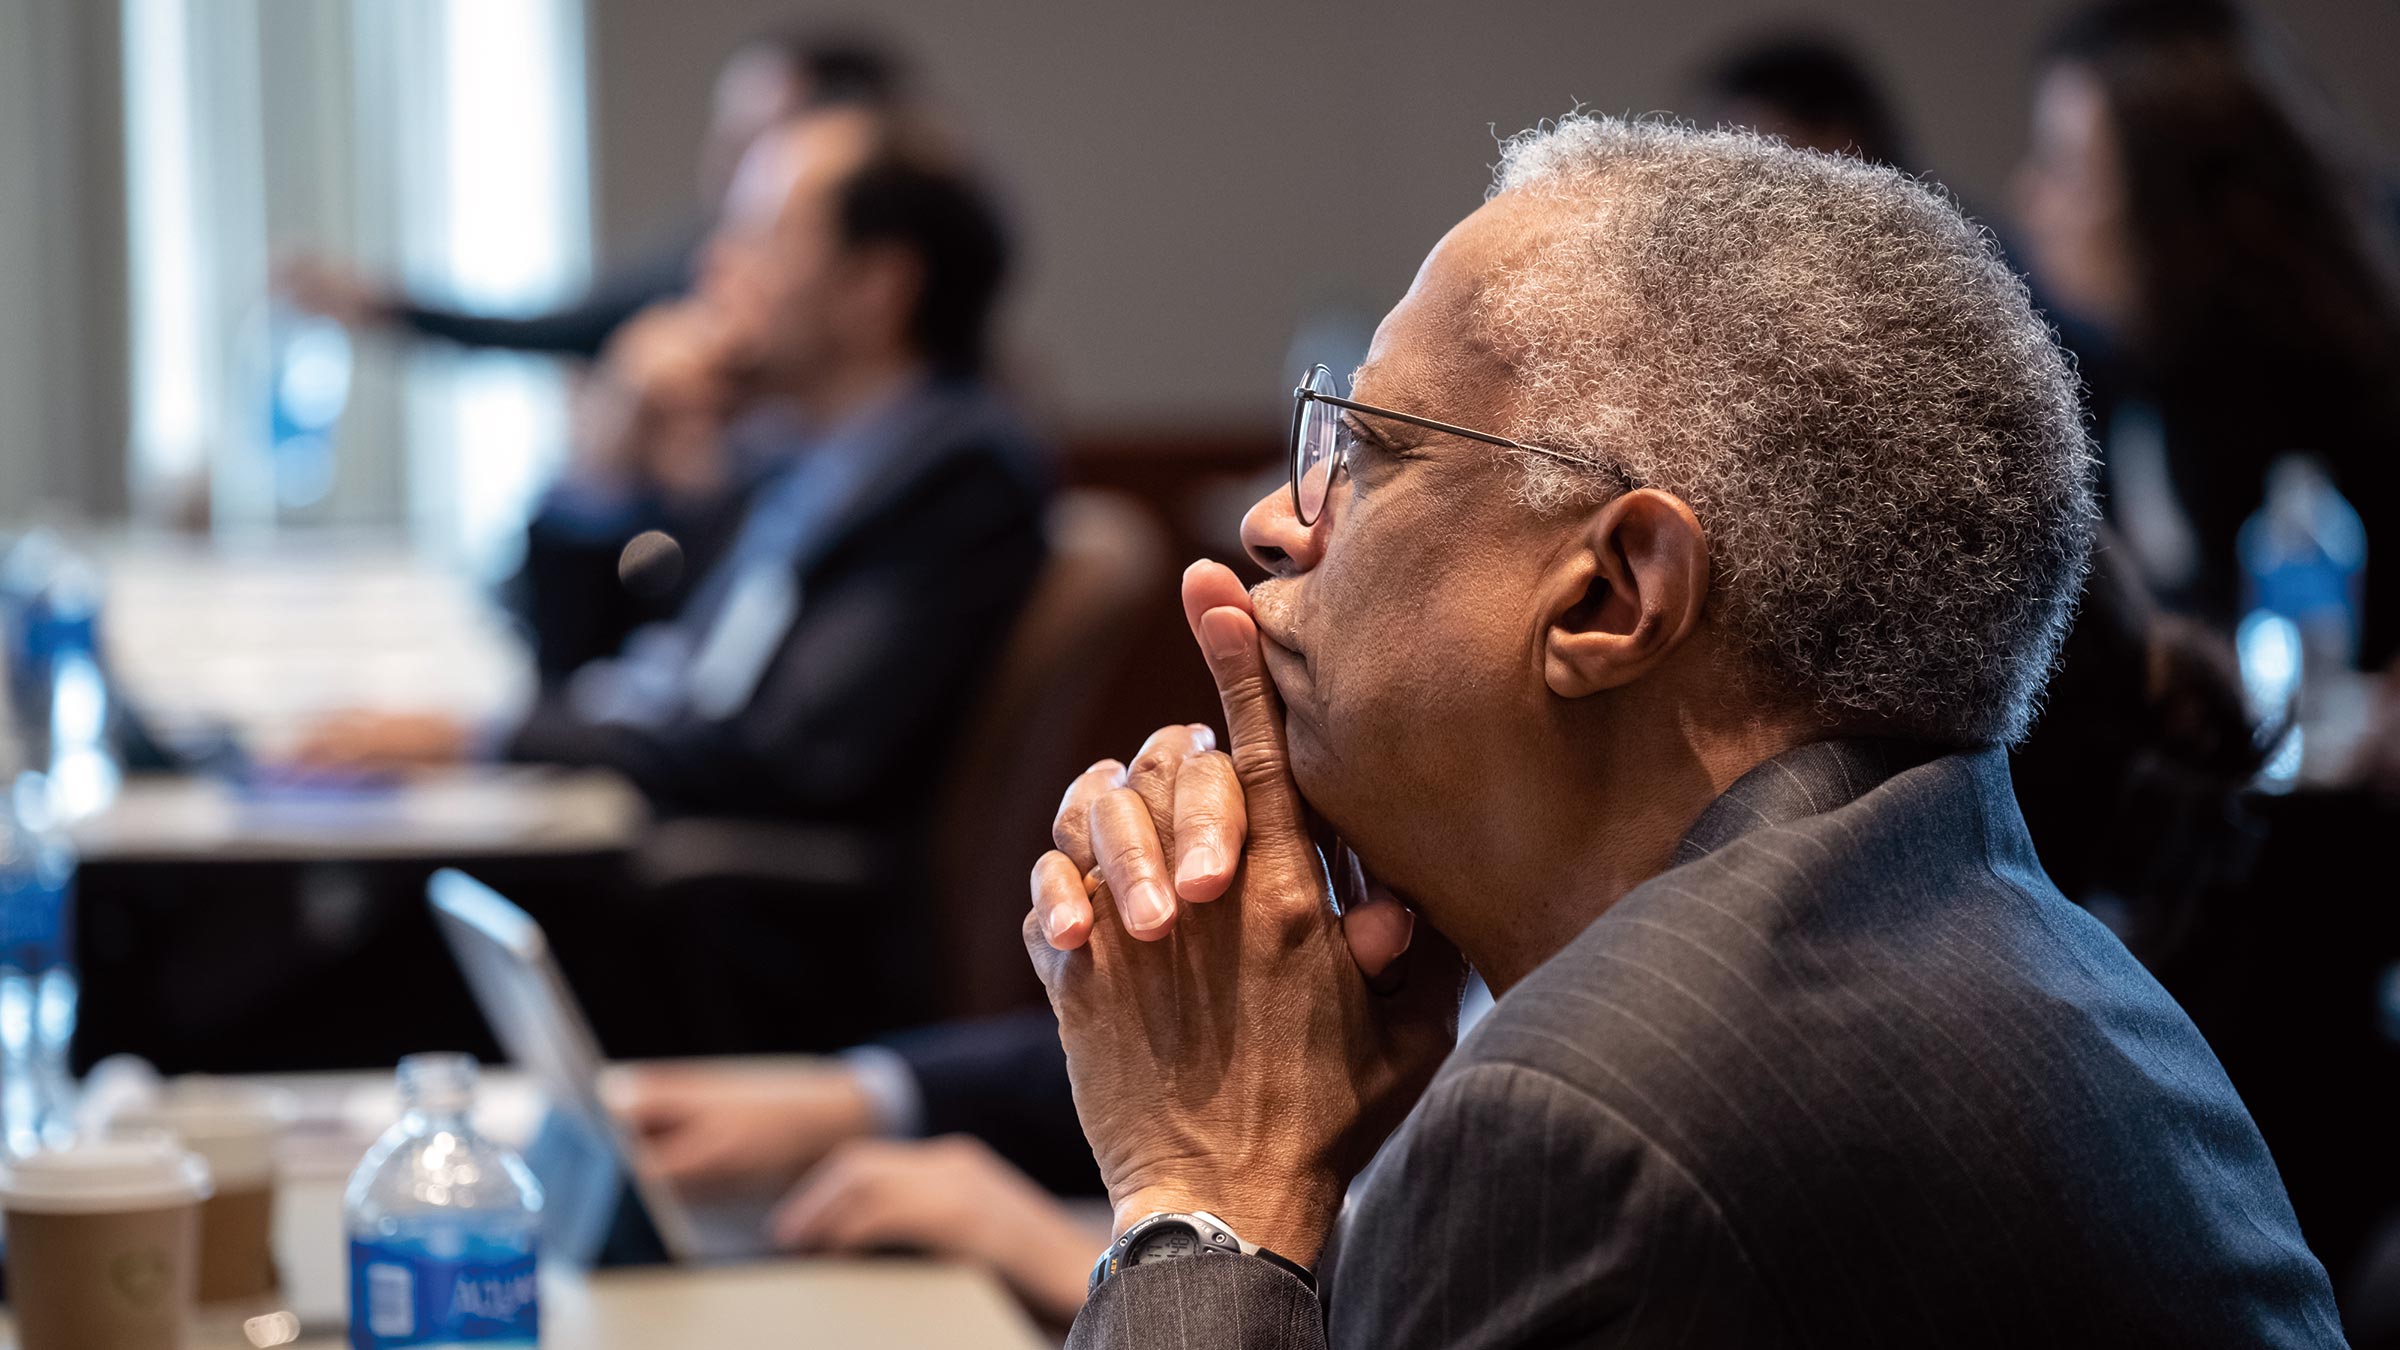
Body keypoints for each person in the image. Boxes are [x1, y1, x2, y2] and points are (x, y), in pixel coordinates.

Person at [1014, 113, 2341, 1346]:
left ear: (1609, 594)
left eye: (1364, 449)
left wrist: (1205, 1196)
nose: (1273, 523)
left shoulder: (1591, 1118)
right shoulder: (1994, 934)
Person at [295, 105, 1049, 836]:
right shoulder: (789, 456)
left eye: (761, 237)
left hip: (714, 919)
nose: (713, 265)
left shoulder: (954, 483)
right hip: (640, 864)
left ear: (875, 288)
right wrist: (608, 467)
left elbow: (788, 755)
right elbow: (580, 662)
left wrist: (481, 740)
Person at [2012, 0, 2400, 669]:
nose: (2030, 198)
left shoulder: (2354, 407)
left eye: (2066, 169)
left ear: (2176, 202)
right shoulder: (2104, 379)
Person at [277, 30, 906, 358]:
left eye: (757, 141)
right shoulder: (708, 259)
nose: (725, 163)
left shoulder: (945, 466)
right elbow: (560, 322)